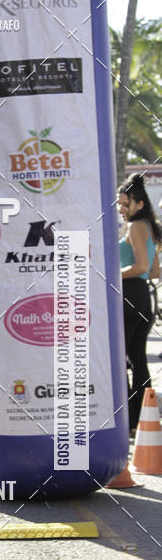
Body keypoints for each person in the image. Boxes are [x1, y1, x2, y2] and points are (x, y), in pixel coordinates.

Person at [118, 173, 162, 432]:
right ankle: (142, 420)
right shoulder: (150, 226)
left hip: (129, 296)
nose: (122, 209)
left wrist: (113, 273)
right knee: (138, 358)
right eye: (120, 204)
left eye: (127, 204)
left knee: (123, 358)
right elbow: (154, 271)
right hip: (144, 297)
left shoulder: (135, 227)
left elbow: (142, 266)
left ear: (140, 204)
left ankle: (127, 420)